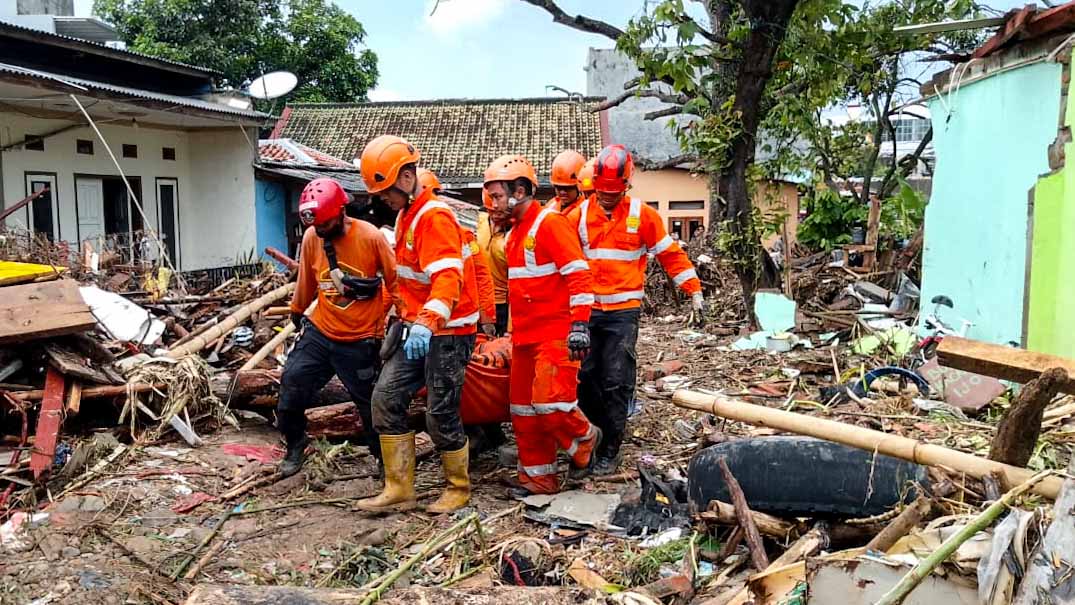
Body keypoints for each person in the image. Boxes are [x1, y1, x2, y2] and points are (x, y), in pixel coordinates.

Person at [356, 135, 479, 514]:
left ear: (407, 178)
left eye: (385, 192)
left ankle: (458, 487)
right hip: (417, 329)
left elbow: (447, 280)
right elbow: (408, 281)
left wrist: (427, 322)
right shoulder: (406, 216)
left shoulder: (434, 217)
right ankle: (399, 488)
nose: (382, 199)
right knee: (385, 399)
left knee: (440, 411)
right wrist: (398, 318)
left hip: (449, 332)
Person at [566, 144, 705, 475]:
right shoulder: (578, 217)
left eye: (614, 192)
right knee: (584, 378)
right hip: (587, 312)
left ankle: (611, 448)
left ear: (626, 185)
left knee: (616, 380)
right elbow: (564, 263)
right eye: (603, 191)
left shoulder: (643, 216)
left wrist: (694, 289)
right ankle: (592, 438)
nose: (608, 197)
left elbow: (670, 254)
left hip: (623, 313)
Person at [484, 154, 601, 494]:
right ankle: (539, 480)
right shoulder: (515, 234)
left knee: (551, 405)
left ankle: (585, 439)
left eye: (497, 196)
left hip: (556, 335)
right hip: (525, 338)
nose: (492, 204)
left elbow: (579, 276)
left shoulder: (549, 224)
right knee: (523, 412)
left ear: (520, 192)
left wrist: (580, 325)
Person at [278, 177, 401, 478]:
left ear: (341, 211)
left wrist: (403, 316)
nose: (320, 229)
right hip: (321, 329)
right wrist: (297, 311)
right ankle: (296, 444)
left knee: (370, 405)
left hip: (361, 337)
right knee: (291, 384)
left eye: (325, 224)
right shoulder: (313, 237)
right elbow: (306, 279)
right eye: (315, 225)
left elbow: (396, 280)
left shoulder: (371, 237)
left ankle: (384, 461)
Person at [417, 168, 497, 338]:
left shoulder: (463, 235)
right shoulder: (409, 237)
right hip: (422, 323)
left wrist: (487, 318)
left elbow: (481, 276)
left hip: (454, 326)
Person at [476, 195, 510, 336]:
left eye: (501, 213)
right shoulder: (480, 222)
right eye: (492, 211)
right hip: (478, 301)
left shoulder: (515, 234)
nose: (496, 216)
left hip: (503, 304)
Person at [546, 149, 587, 214]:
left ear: (579, 186)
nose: (562, 192)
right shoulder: (551, 205)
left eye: (568, 188)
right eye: (558, 187)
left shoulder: (585, 210)